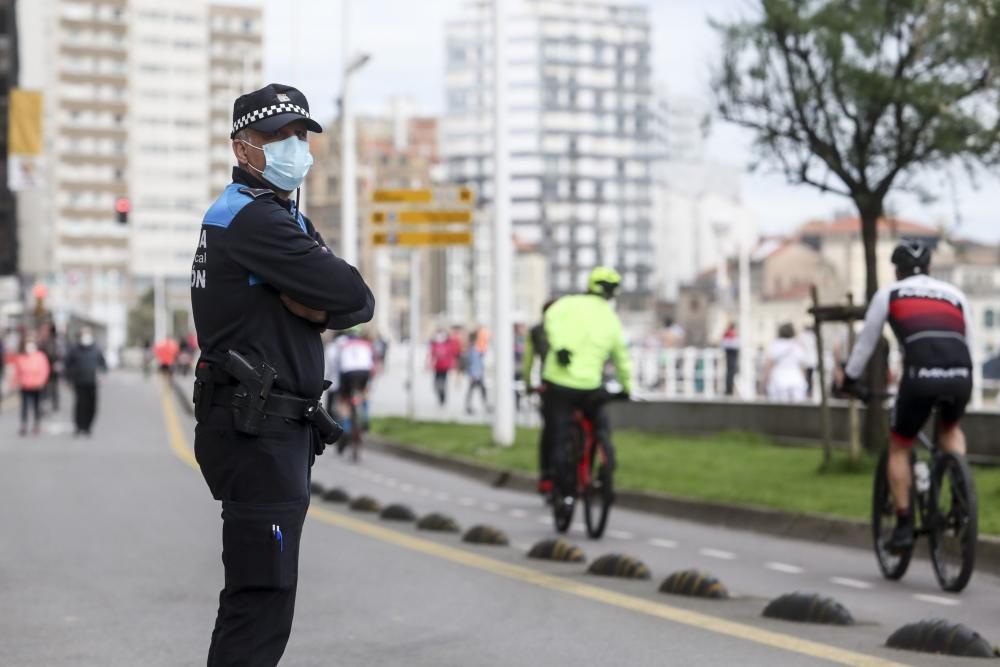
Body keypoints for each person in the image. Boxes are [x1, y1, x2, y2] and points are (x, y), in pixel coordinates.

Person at [190, 83, 374, 667]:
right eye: (281, 136)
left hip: (270, 431)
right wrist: (322, 301)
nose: (297, 147)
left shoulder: (277, 216)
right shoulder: (251, 220)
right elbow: (348, 290)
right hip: (258, 432)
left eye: (302, 135)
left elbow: (351, 304)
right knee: (260, 596)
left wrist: (315, 306)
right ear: (245, 149)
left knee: (266, 593)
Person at [839, 240, 972, 554]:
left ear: (897, 270)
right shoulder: (956, 294)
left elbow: (865, 343)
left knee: (900, 444)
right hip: (960, 375)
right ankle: (961, 493)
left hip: (919, 376)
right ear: (928, 268)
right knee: (950, 429)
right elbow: (968, 343)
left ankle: (901, 526)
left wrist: (849, 380)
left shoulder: (889, 294)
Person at [541, 267, 632, 501]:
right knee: (600, 427)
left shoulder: (568, 303)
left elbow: (549, 316)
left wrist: (560, 347)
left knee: (558, 434)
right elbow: (622, 356)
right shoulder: (611, 319)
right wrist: (627, 387)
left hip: (559, 383)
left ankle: (562, 487)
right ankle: (604, 463)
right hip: (590, 386)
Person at [335, 327, 376, 443]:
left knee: (344, 400)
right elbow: (372, 364)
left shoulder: (343, 345)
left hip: (348, 372)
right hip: (364, 371)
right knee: (364, 392)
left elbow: (338, 365)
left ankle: (346, 428)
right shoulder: (366, 344)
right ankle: (366, 418)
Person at [65, 327, 107, 436]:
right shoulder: (75, 349)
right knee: (80, 405)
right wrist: (68, 379)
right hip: (79, 382)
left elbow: (103, 364)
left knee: (91, 405)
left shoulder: (96, 349)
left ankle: (88, 427)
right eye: (83, 334)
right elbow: (68, 365)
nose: (85, 336)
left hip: (92, 382)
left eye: (87, 333)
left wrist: (102, 375)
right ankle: (79, 427)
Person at [11, 337, 50, 436]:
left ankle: (36, 424)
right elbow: (17, 372)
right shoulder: (21, 357)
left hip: (37, 386)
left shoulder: (40, 356)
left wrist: (42, 382)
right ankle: (24, 424)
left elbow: (45, 370)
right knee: (24, 406)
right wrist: (14, 383)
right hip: (25, 385)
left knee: (36, 406)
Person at [762, 323, 807, 402]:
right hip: (796, 382)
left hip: (778, 382)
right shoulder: (797, 345)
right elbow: (802, 367)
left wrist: (764, 384)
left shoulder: (774, 345)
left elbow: (768, 367)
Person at [429, 330, 457, 406]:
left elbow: (450, 355)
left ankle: (442, 396)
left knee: (440, 382)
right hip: (440, 367)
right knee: (440, 382)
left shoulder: (443, 344)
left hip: (442, 367)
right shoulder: (442, 344)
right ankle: (441, 395)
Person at [465, 329, 488, 414]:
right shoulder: (472, 350)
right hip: (475, 375)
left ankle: (484, 405)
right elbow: (471, 364)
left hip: (478, 374)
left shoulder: (476, 349)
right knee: (473, 390)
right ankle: (469, 406)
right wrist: (472, 375)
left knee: (481, 390)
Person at [720, 322, 739, 396]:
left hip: (729, 354)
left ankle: (728, 389)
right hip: (732, 354)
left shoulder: (726, 333)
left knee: (729, 372)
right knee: (731, 372)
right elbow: (734, 345)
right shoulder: (731, 333)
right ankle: (729, 390)